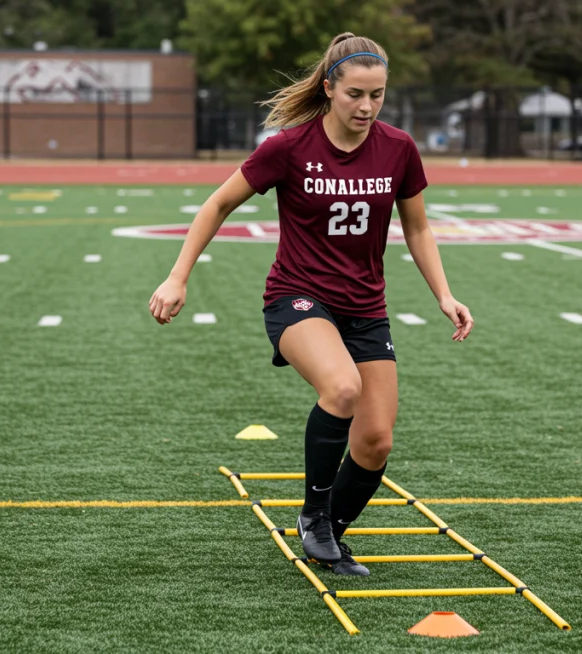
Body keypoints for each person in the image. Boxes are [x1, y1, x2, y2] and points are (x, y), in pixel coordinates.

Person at [149, 32, 473, 575]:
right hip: (297, 299)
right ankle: (315, 517)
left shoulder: (399, 148)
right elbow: (217, 204)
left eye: (378, 95)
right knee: (342, 388)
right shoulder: (288, 148)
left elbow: (417, 228)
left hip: (365, 308)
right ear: (329, 88)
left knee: (375, 441)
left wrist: (444, 294)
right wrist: (177, 277)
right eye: (355, 94)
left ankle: (328, 533)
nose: (367, 106)